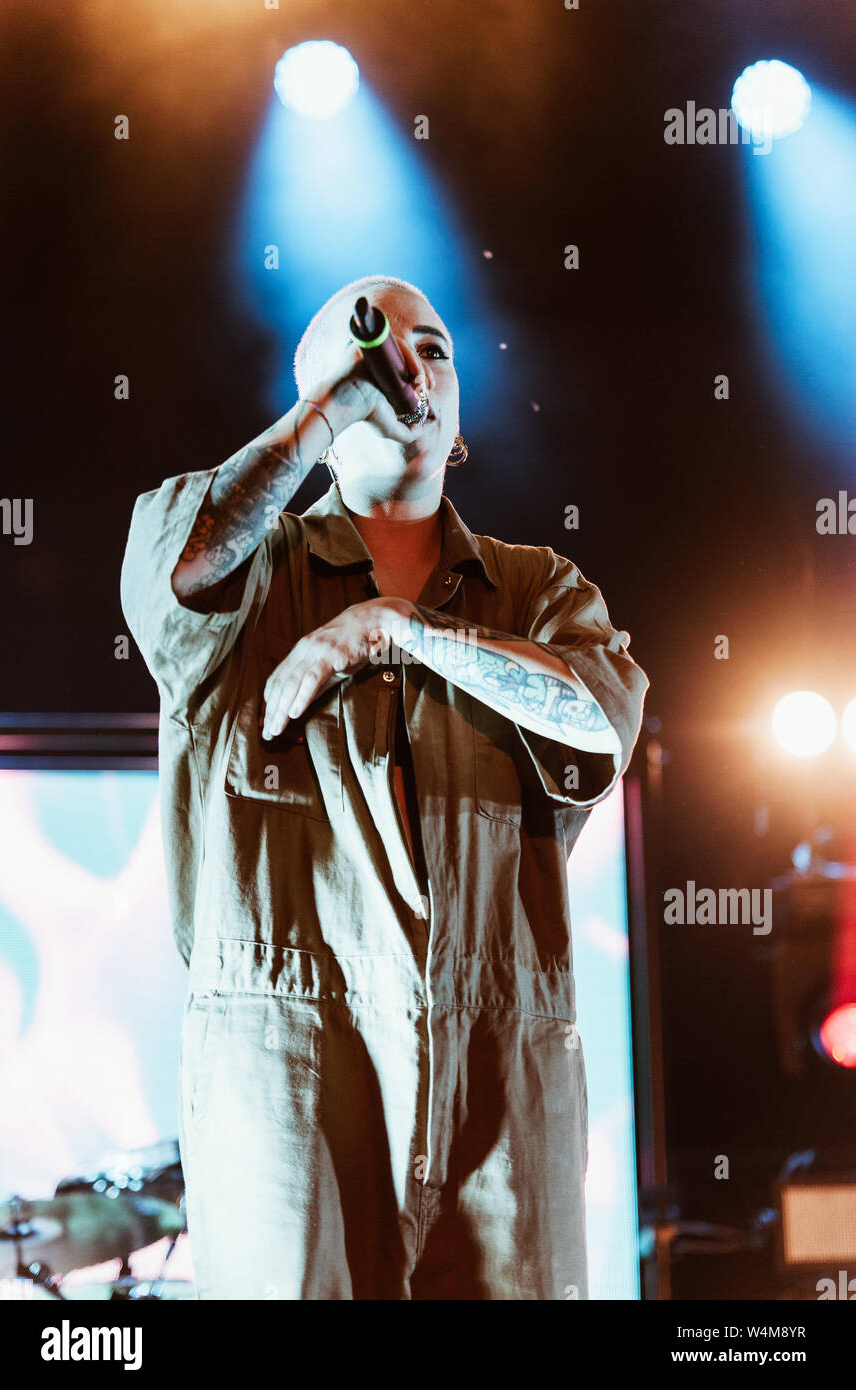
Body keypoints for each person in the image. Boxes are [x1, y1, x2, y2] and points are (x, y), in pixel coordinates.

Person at [120, 273, 649, 1300]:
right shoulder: (251, 577)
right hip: (288, 1080)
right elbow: (174, 573)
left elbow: (597, 719)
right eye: (370, 343)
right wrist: (332, 408)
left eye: (435, 347)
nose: (407, 362)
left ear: (457, 424)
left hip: (502, 1070)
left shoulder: (539, 589)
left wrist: (396, 632)